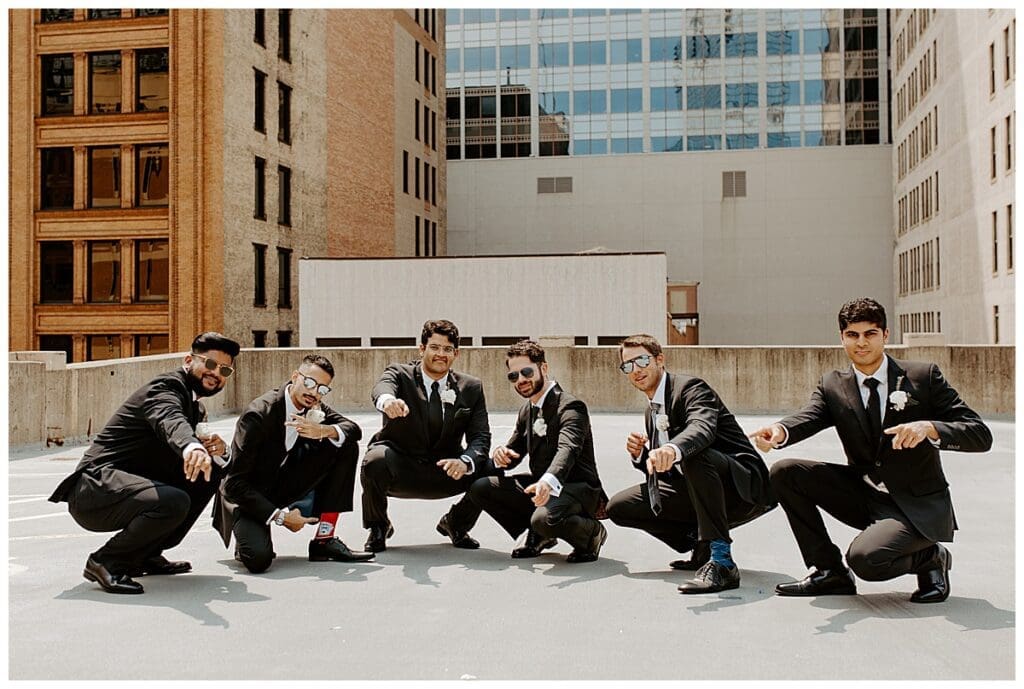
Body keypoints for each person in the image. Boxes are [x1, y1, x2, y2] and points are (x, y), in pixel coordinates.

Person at [751, 298, 992, 603]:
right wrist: (779, 432)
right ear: (842, 338)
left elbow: (980, 434)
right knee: (785, 472)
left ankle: (931, 558)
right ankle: (829, 572)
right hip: (864, 494)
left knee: (866, 560)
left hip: (915, 507)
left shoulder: (923, 377)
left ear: (885, 335)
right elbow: (808, 417)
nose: (861, 343)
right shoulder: (833, 385)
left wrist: (930, 428)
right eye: (852, 335)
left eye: (870, 334)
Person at [48, 332, 240, 594]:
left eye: (224, 370)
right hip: (95, 489)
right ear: (188, 360)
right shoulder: (165, 389)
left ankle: (146, 554)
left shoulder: (195, 406)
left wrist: (220, 453)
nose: (215, 373)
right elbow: (168, 418)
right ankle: (105, 561)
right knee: (174, 500)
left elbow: (183, 431)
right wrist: (191, 446)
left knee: (210, 471)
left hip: (130, 486)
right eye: (209, 364)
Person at [606, 334, 775, 594]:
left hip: (741, 488)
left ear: (659, 359)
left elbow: (702, 429)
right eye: (627, 365)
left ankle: (722, 562)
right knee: (618, 507)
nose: (635, 370)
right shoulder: (651, 411)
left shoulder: (691, 388)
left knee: (695, 454)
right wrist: (643, 456)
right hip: (699, 489)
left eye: (641, 360)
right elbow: (667, 473)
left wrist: (673, 449)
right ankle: (702, 544)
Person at [213, 354, 373, 573]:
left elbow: (353, 428)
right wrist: (282, 517)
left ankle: (324, 539)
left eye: (322, 389)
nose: (314, 392)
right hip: (247, 494)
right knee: (258, 560)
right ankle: (246, 537)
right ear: (295, 377)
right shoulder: (259, 414)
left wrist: (324, 430)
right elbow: (234, 483)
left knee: (344, 442)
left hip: (282, 483)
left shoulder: (314, 406)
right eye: (309, 383)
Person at [360, 319, 494, 552]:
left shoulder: (471, 387)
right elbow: (382, 388)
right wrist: (387, 401)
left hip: (445, 469)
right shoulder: (400, 374)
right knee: (375, 460)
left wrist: (465, 461)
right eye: (434, 347)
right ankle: (378, 527)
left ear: (456, 353)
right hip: (403, 467)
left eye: (447, 349)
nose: (440, 354)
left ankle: (456, 524)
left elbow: (480, 436)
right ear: (422, 348)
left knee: (489, 469)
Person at [470, 340, 608, 562]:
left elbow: (568, 449)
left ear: (543, 368)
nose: (521, 380)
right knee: (482, 487)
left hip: (576, 488)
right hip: (542, 487)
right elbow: (514, 452)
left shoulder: (571, 406)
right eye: (513, 376)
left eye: (526, 371)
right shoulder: (528, 409)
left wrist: (548, 481)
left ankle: (591, 534)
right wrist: (501, 453)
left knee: (543, 519)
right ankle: (539, 537)